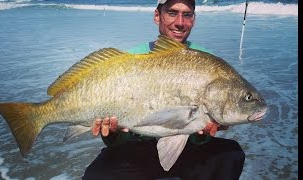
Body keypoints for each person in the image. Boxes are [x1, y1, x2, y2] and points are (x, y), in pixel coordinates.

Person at [83, 0, 245, 179]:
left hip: (187, 151)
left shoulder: (209, 62)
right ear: (157, 16)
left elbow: (200, 132)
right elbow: (116, 139)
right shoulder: (131, 59)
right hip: (136, 150)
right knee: (96, 175)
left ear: (194, 19)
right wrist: (112, 133)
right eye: (172, 13)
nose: (180, 22)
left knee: (231, 154)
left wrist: (204, 133)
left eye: (187, 14)